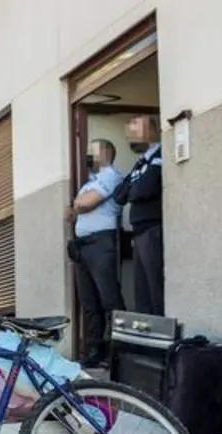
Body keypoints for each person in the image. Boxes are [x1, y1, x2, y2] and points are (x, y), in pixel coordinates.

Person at [66, 139, 126, 368]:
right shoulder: (89, 182)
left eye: (93, 150)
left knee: (109, 298)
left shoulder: (111, 176)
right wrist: (78, 203)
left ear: (107, 152)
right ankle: (94, 351)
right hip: (83, 245)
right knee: (89, 301)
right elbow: (72, 211)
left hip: (101, 242)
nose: (88, 155)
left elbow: (84, 205)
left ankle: (119, 352)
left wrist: (79, 203)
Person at [114, 114, 164, 316]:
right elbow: (120, 195)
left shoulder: (160, 154)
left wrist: (134, 190)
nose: (130, 140)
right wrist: (135, 189)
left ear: (150, 131)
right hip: (139, 231)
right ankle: (147, 344)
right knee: (141, 292)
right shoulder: (140, 163)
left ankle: (163, 340)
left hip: (153, 228)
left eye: (134, 134)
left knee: (156, 288)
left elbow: (146, 189)